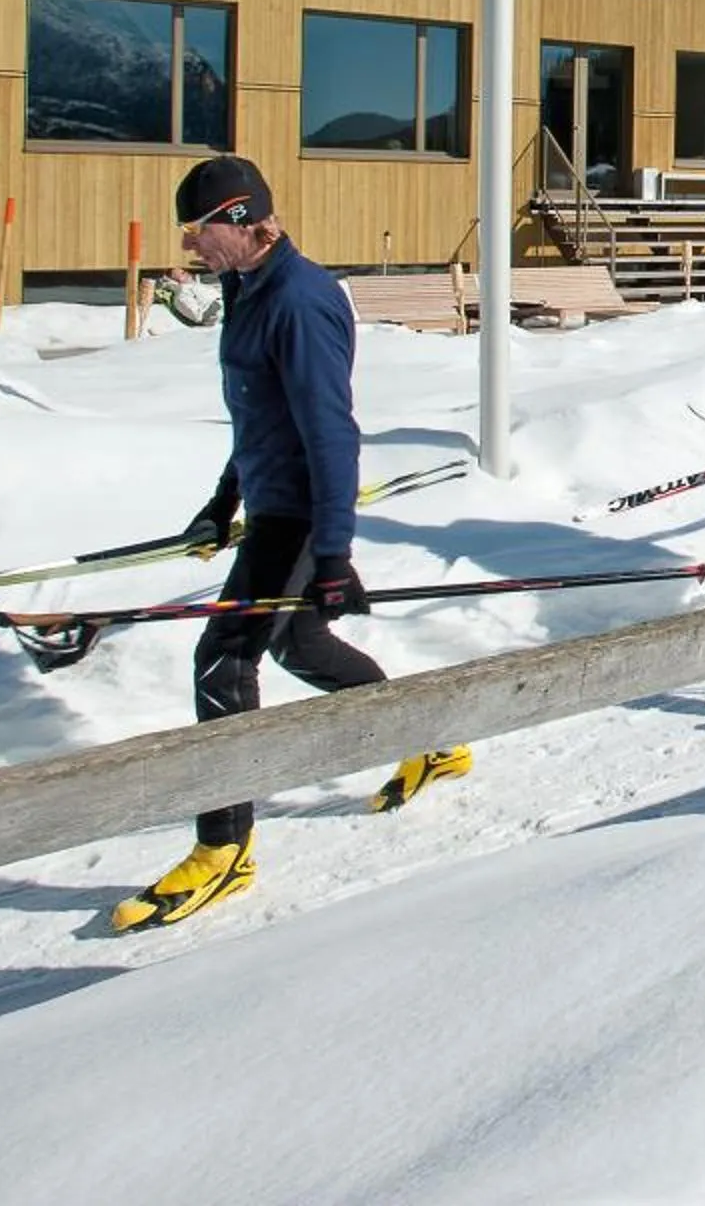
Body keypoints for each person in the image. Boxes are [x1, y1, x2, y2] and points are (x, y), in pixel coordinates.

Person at [110, 155, 469, 933]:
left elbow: (329, 432)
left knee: (222, 660)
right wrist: (220, 503)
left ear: (241, 222)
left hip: (300, 516)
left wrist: (334, 551)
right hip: (271, 503)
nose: (192, 249)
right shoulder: (247, 291)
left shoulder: (300, 302)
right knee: (300, 643)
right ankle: (430, 740)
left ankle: (224, 849)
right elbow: (260, 419)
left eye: (198, 232)